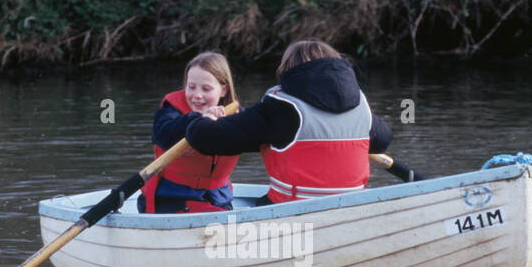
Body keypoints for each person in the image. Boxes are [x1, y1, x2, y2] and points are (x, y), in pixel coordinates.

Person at [181, 40, 391, 206]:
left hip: (293, 209)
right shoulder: (360, 104)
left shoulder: (280, 107)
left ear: (289, 70)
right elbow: (382, 140)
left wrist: (206, 119)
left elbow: (203, 138)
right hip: (353, 207)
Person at [139, 51, 242, 214]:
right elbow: (161, 136)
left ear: (223, 90)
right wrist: (199, 119)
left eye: (206, 89)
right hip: (170, 197)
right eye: (191, 87)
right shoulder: (170, 110)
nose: (197, 95)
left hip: (218, 197)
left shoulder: (238, 114)